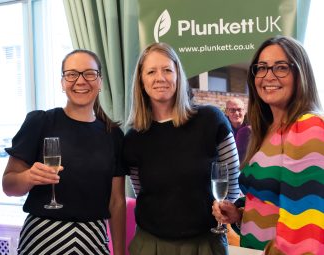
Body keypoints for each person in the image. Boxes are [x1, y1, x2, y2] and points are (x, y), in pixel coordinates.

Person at [2, 49, 126, 255]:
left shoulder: (112, 134)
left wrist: (120, 252)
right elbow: (9, 186)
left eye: (89, 73)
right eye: (71, 74)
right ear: (62, 82)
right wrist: (28, 177)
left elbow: (117, 201)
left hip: (93, 239)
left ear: (100, 81)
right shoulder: (39, 122)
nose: (80, 80)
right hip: (42, 238)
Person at [123, 42, 240, 255]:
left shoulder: (212, 120)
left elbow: (232, 182)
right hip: (151, 246)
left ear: (178, 75)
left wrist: (223, 209)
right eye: (151, 71)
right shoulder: (133, 138)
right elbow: (142, 192)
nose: (160, 77)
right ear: (141, 80)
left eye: (167, 69)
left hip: (205, 244)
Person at [212, 35, 324, 254]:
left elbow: (306, 227)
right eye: (261, 68)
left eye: (281, 67)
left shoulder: (309, 126)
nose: (268, 76)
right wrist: (238, 215)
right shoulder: (266, 131)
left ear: (300, 73)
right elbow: (269, 206)